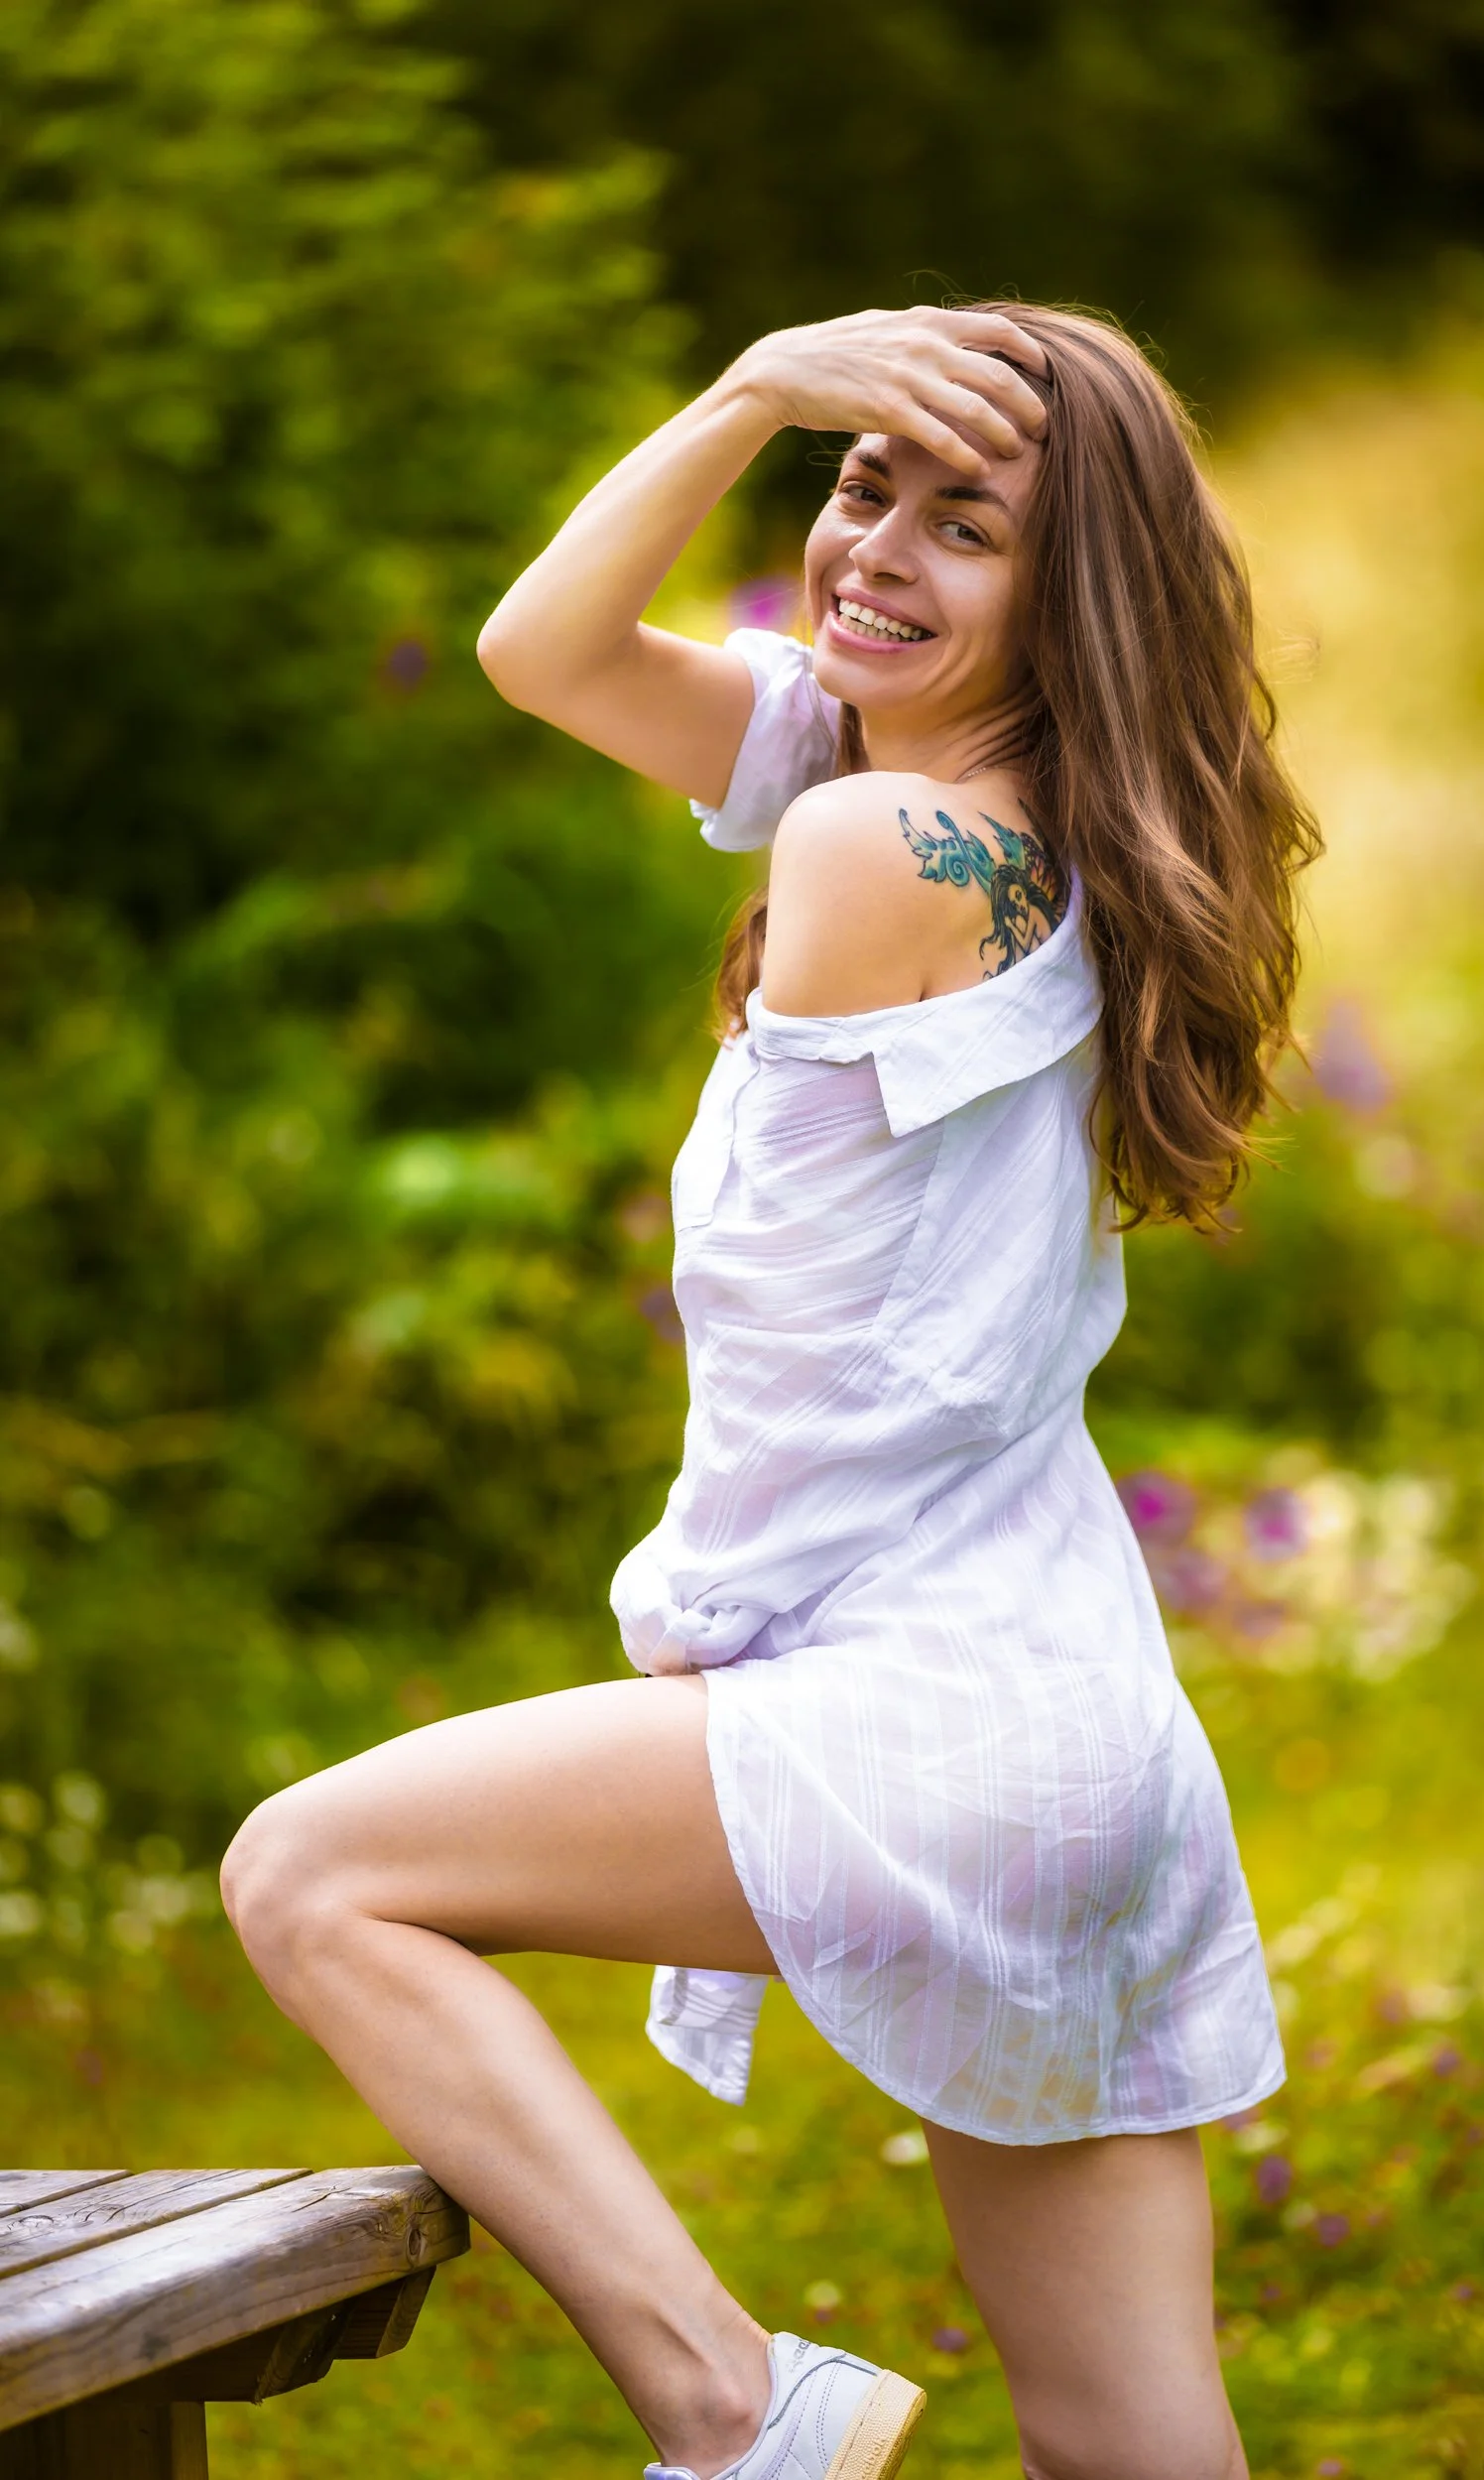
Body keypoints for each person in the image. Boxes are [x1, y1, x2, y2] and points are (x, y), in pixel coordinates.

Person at [221, 303, 1320, 2480]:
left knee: (310, 1874)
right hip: (1079, 1719)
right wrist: (751, 391)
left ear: (1075, 588)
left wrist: (754, 394)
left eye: (967, 520)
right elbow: (545, 647)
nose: (873, 549)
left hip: (919, 1705)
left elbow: (557, 666)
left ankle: (736, 2402)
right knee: (1135, 2433)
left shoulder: (865, 844)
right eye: (857, 483)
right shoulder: (1033, 826)